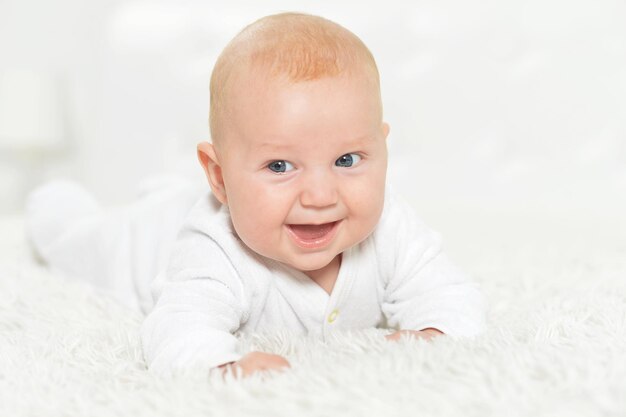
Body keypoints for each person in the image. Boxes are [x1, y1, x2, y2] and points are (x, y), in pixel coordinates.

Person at [26, 12, 486, 379]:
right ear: (220, 177)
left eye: (347, 160)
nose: (322, 195)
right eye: (280, 166)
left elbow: (451, 293)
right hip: (147, 238)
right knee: (75, 237)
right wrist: (222, 368)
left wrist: (434, 330)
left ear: (381, 148)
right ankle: (52, 198)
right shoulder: (215, 250)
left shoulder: (390, 227)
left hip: (196, 199)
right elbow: (176, 328)